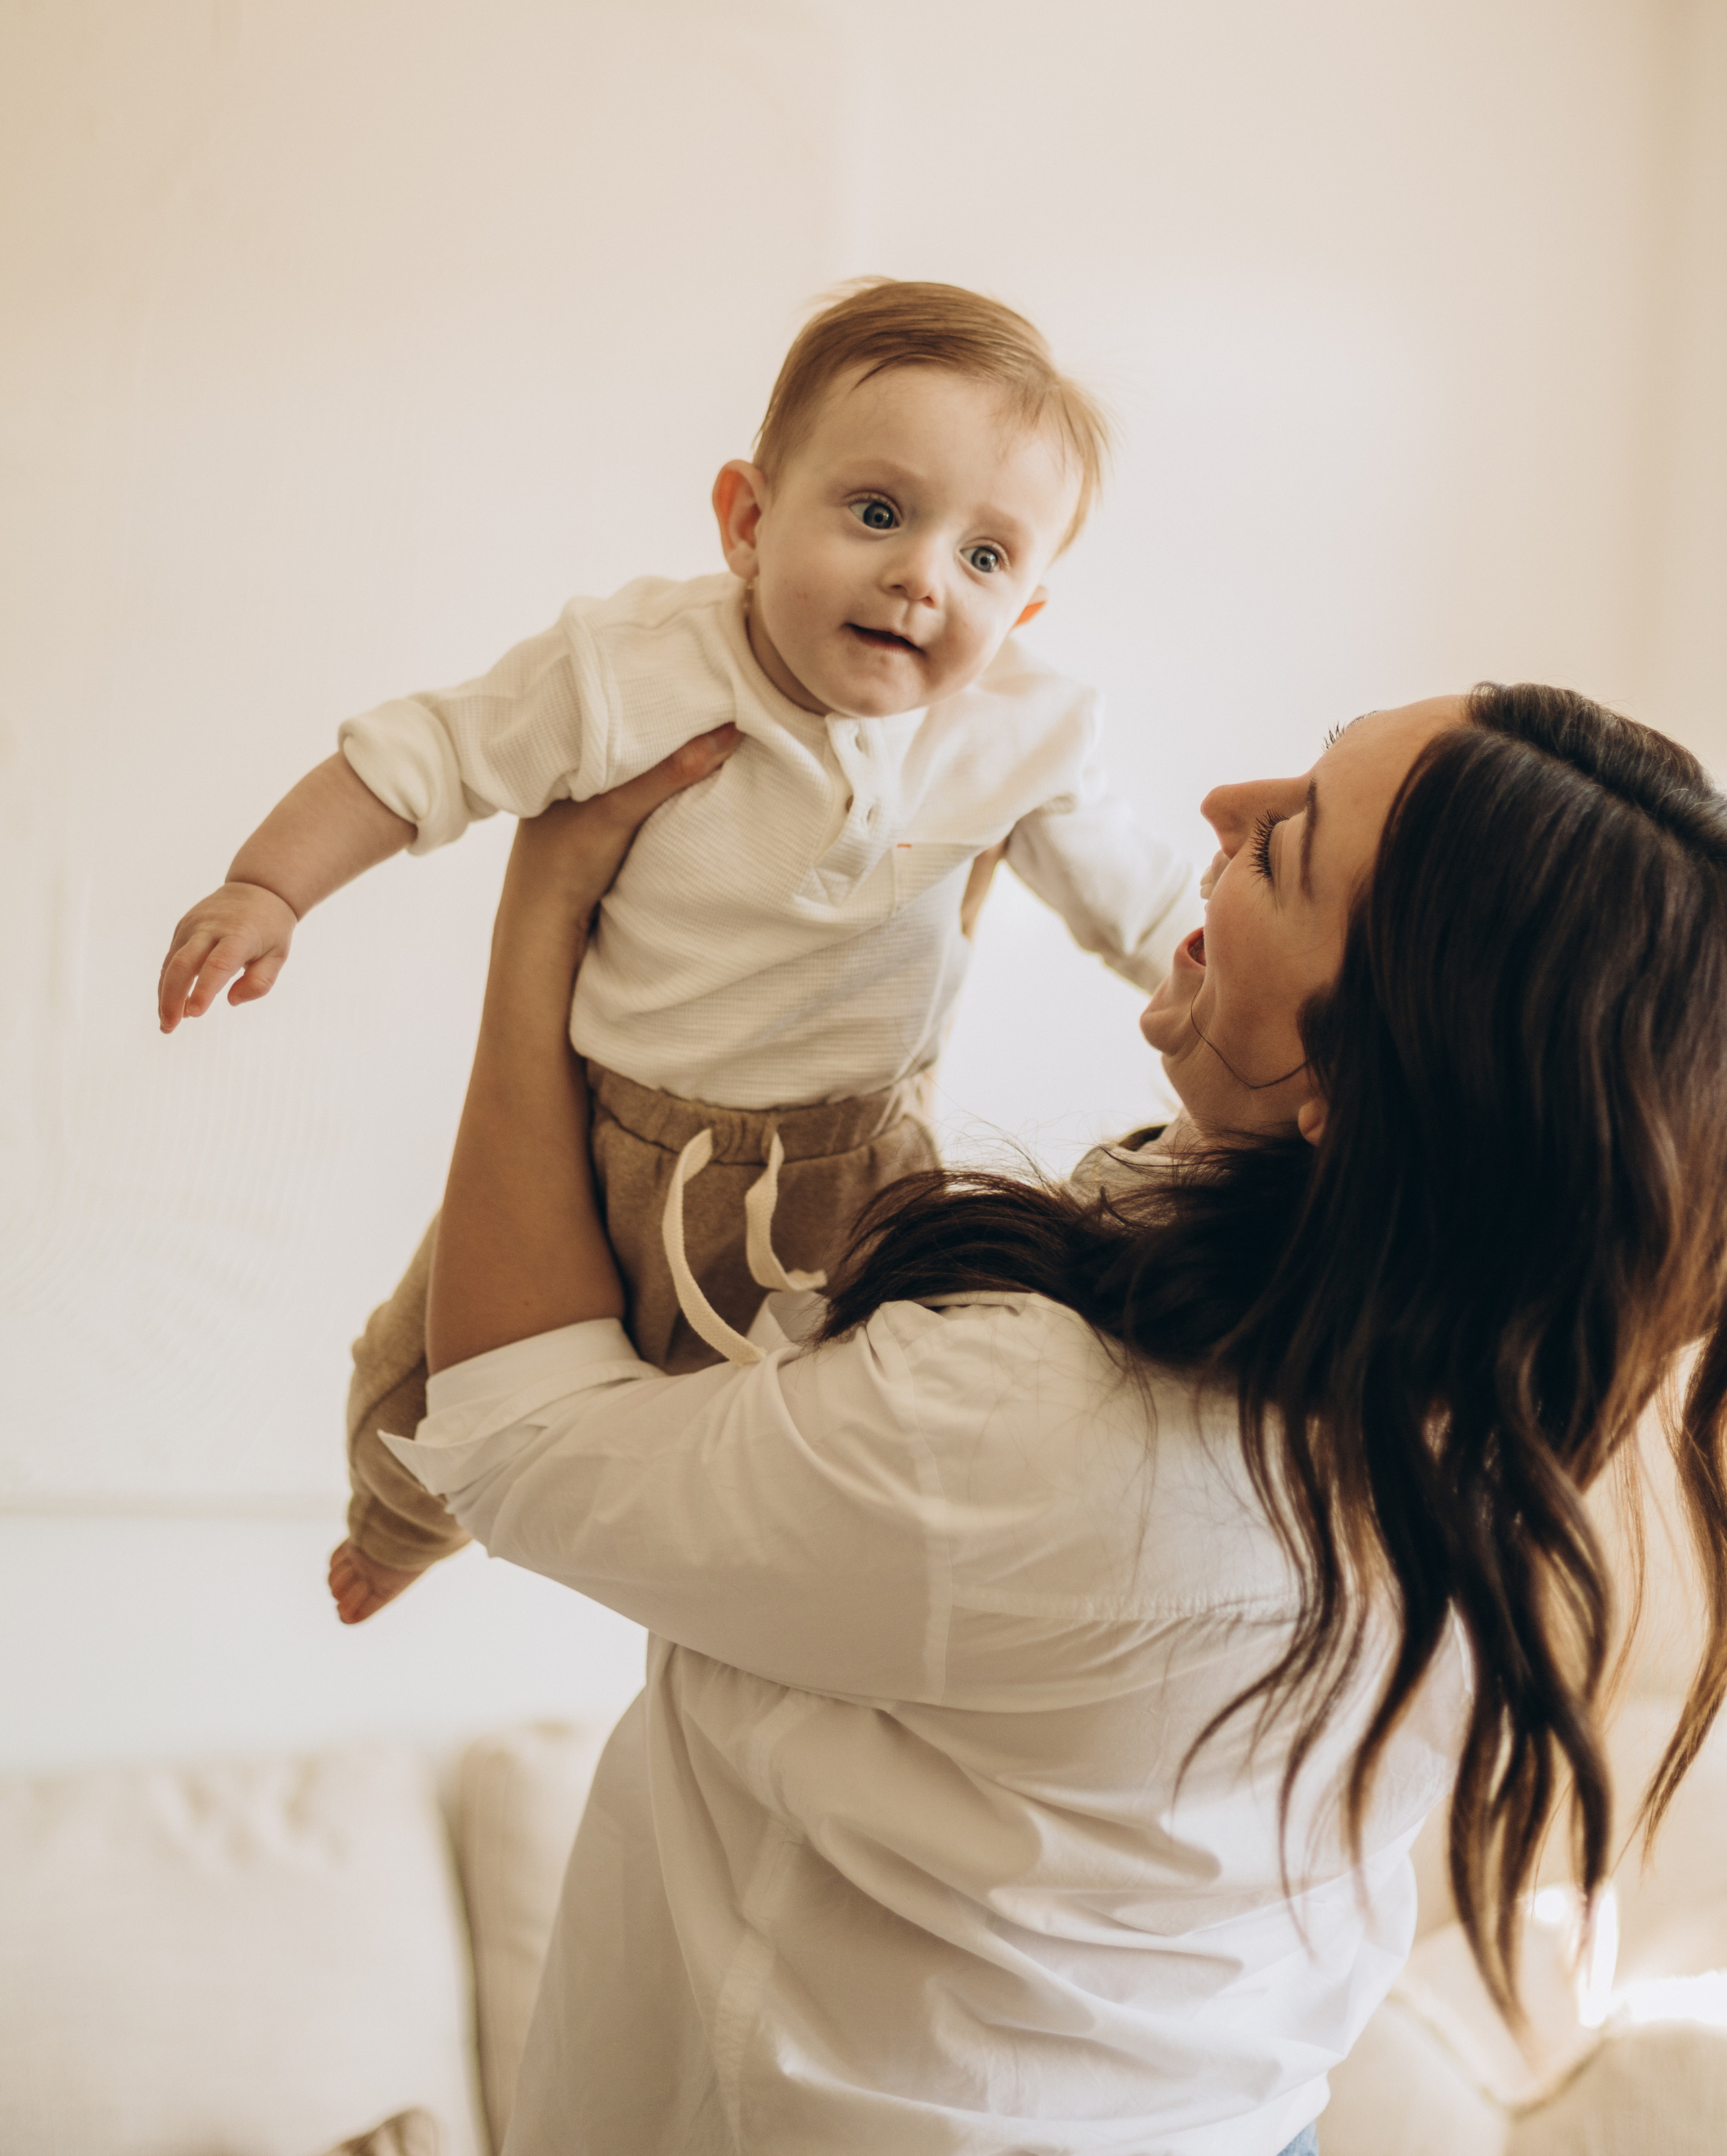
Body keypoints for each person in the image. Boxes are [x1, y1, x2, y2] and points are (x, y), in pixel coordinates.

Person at [385, 679, 1727, 2155]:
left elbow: (520, 1439)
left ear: (1353, 1087)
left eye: (1285, 846)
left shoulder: (1045, 1430)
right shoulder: (1471, 1438)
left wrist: (547, 899)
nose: (1225, 805)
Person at [152, 281, 1197, 1622]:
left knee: (860, 1405)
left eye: (986, 558)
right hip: (614, 1134)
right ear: (748, 523)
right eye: (878, 512)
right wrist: (270, 889)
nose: (921, 576)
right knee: (425, 1380)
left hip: (854, 1154)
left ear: (1028, 612)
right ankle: (400, 1529)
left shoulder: (1020, 732)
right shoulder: (635, 668)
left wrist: (1268, 1010)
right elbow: (426, 755)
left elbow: (1144, 903)